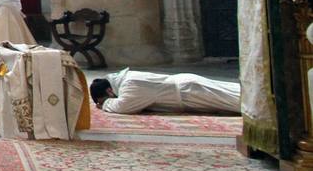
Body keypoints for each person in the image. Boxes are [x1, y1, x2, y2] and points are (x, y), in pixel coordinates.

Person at [91, 69, 241, 115]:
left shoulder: (130, 84)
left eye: (105, 98)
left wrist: (105, 104)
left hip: (189, 91)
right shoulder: (126, 80)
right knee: (230, 94)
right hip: (186, 89)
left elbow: (124, 106)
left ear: (110, 91)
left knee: (236, 100)